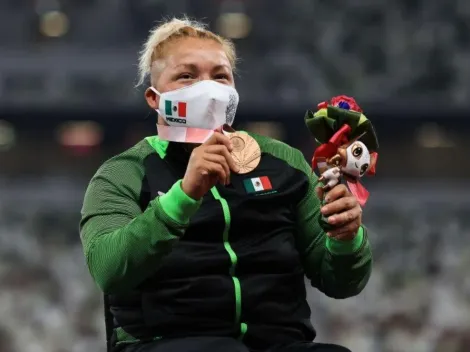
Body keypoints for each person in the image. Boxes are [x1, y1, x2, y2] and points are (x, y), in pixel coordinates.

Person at [80, 17, 372, 352]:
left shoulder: (283, 162)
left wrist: (347, 239)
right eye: (187, 76)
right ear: (154, 98)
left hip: (278, 343)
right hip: (165, 343)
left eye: (220, 76)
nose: (208, 87)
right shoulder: (124, 173)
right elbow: (108, 268)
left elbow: (341, 282)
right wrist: (183, 195)